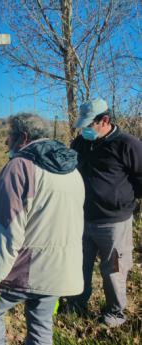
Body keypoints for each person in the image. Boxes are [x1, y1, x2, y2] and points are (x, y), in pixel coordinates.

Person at [0, 113, 85, 345]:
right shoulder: (72, 170)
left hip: (26, 271)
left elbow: (7, 232)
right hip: (62, 270)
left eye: (9, 135)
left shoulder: (19, 167)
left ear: (23, 137)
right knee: (41, 326)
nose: (5, 142)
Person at [68, 98, 142, 327]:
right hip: (82, 219)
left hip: (114, 222)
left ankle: (115, 313)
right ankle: (77, 302)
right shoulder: (80, 143)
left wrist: (122, 202)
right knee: (80, 265)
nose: (85, 131)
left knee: (114, 271)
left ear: (105, 120)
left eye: (89, 125)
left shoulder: (128, 144)